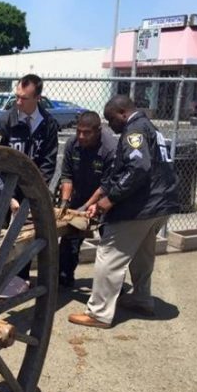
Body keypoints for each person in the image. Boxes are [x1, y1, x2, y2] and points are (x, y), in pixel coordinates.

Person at [68, 95, 179, 328]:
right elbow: (124, 171)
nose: (111, 125)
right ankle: (141, 298)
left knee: (109, 252)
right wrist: (96, 200)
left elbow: (138, 168)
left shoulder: (134, 131)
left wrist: (110, 200)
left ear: (122, 113)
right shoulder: (149, 127)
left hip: (142, 205)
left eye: (111, 119)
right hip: (162, 203)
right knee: (142, 252)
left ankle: (98, 313)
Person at [0, 74, 59, 285]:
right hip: (2, 188)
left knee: (26, 236)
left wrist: (33, 193)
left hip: (30, 189)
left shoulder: (48, 125)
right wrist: (7, 198)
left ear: (37, 97)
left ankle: (19, 280)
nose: (18, 102)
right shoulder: (3, 121)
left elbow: (48, 163)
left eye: (23, 98)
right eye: (16, 96)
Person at [57, 111, 117, 288]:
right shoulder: (72, 144)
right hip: (79, 196)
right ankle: (64, 277)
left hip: (107, 202)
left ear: (98, 130)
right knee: (69, 240)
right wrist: (65, 204)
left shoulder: (110, 149)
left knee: (110, 247)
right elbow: (67, 177)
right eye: (78, 131)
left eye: (86, 133)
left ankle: (112, 287)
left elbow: (105, 187)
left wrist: (85, 207)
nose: (81, 136)